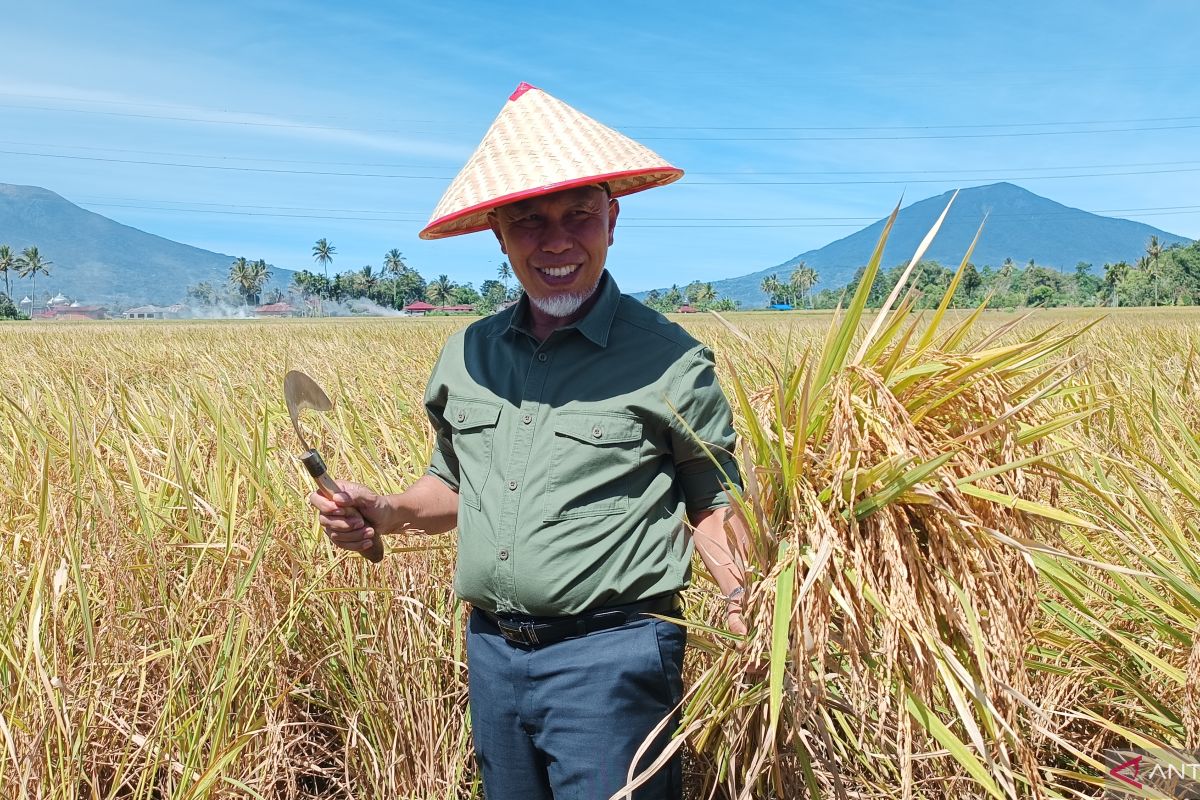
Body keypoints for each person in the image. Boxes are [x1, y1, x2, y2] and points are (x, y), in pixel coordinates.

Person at [310, 83, 747, 800]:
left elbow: (713, 500)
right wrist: (383, 510)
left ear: (613, 218)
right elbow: (451, 483)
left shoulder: (669, 360)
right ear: (498, 235)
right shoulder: (468, 355)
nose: (555, 242)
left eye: (578, 216)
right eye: (528, 221)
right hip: (491, 655)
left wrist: (742, 598)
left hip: (615, 661)